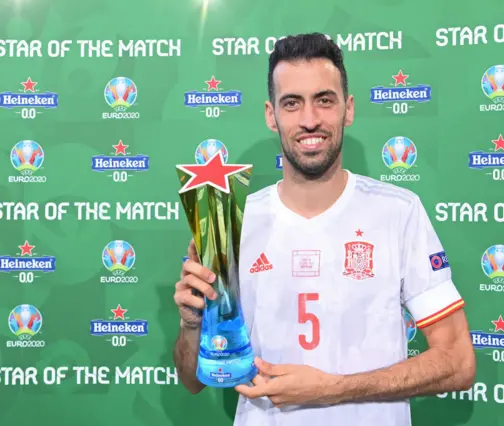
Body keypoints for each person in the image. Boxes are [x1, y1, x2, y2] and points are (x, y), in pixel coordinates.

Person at [173, 32, 476, 425]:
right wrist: (191, 325)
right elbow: (191, 379)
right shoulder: (232, 220)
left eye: (324, 100)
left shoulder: (398, 212)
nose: (310, 119)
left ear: (348, 109)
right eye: (292, 103)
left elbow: (458, 362)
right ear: (271, 114)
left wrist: (331, 389)